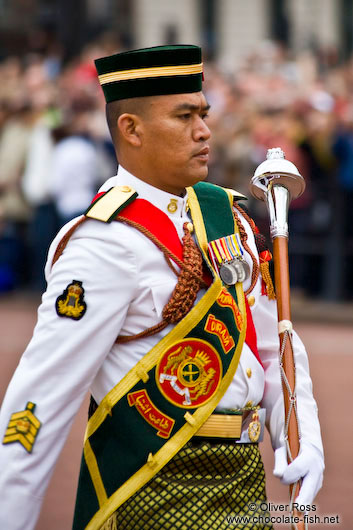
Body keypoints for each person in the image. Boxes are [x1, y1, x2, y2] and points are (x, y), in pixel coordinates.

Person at [0, 45, 324, 530]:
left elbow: (275, 346)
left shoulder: (225, 218)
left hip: (244, 486)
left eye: (204, 113)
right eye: (184, 116)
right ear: (131, 129)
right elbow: (37, 406)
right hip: (149, 492)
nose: (204, 130)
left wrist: (304, 439)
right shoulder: (102, 244)